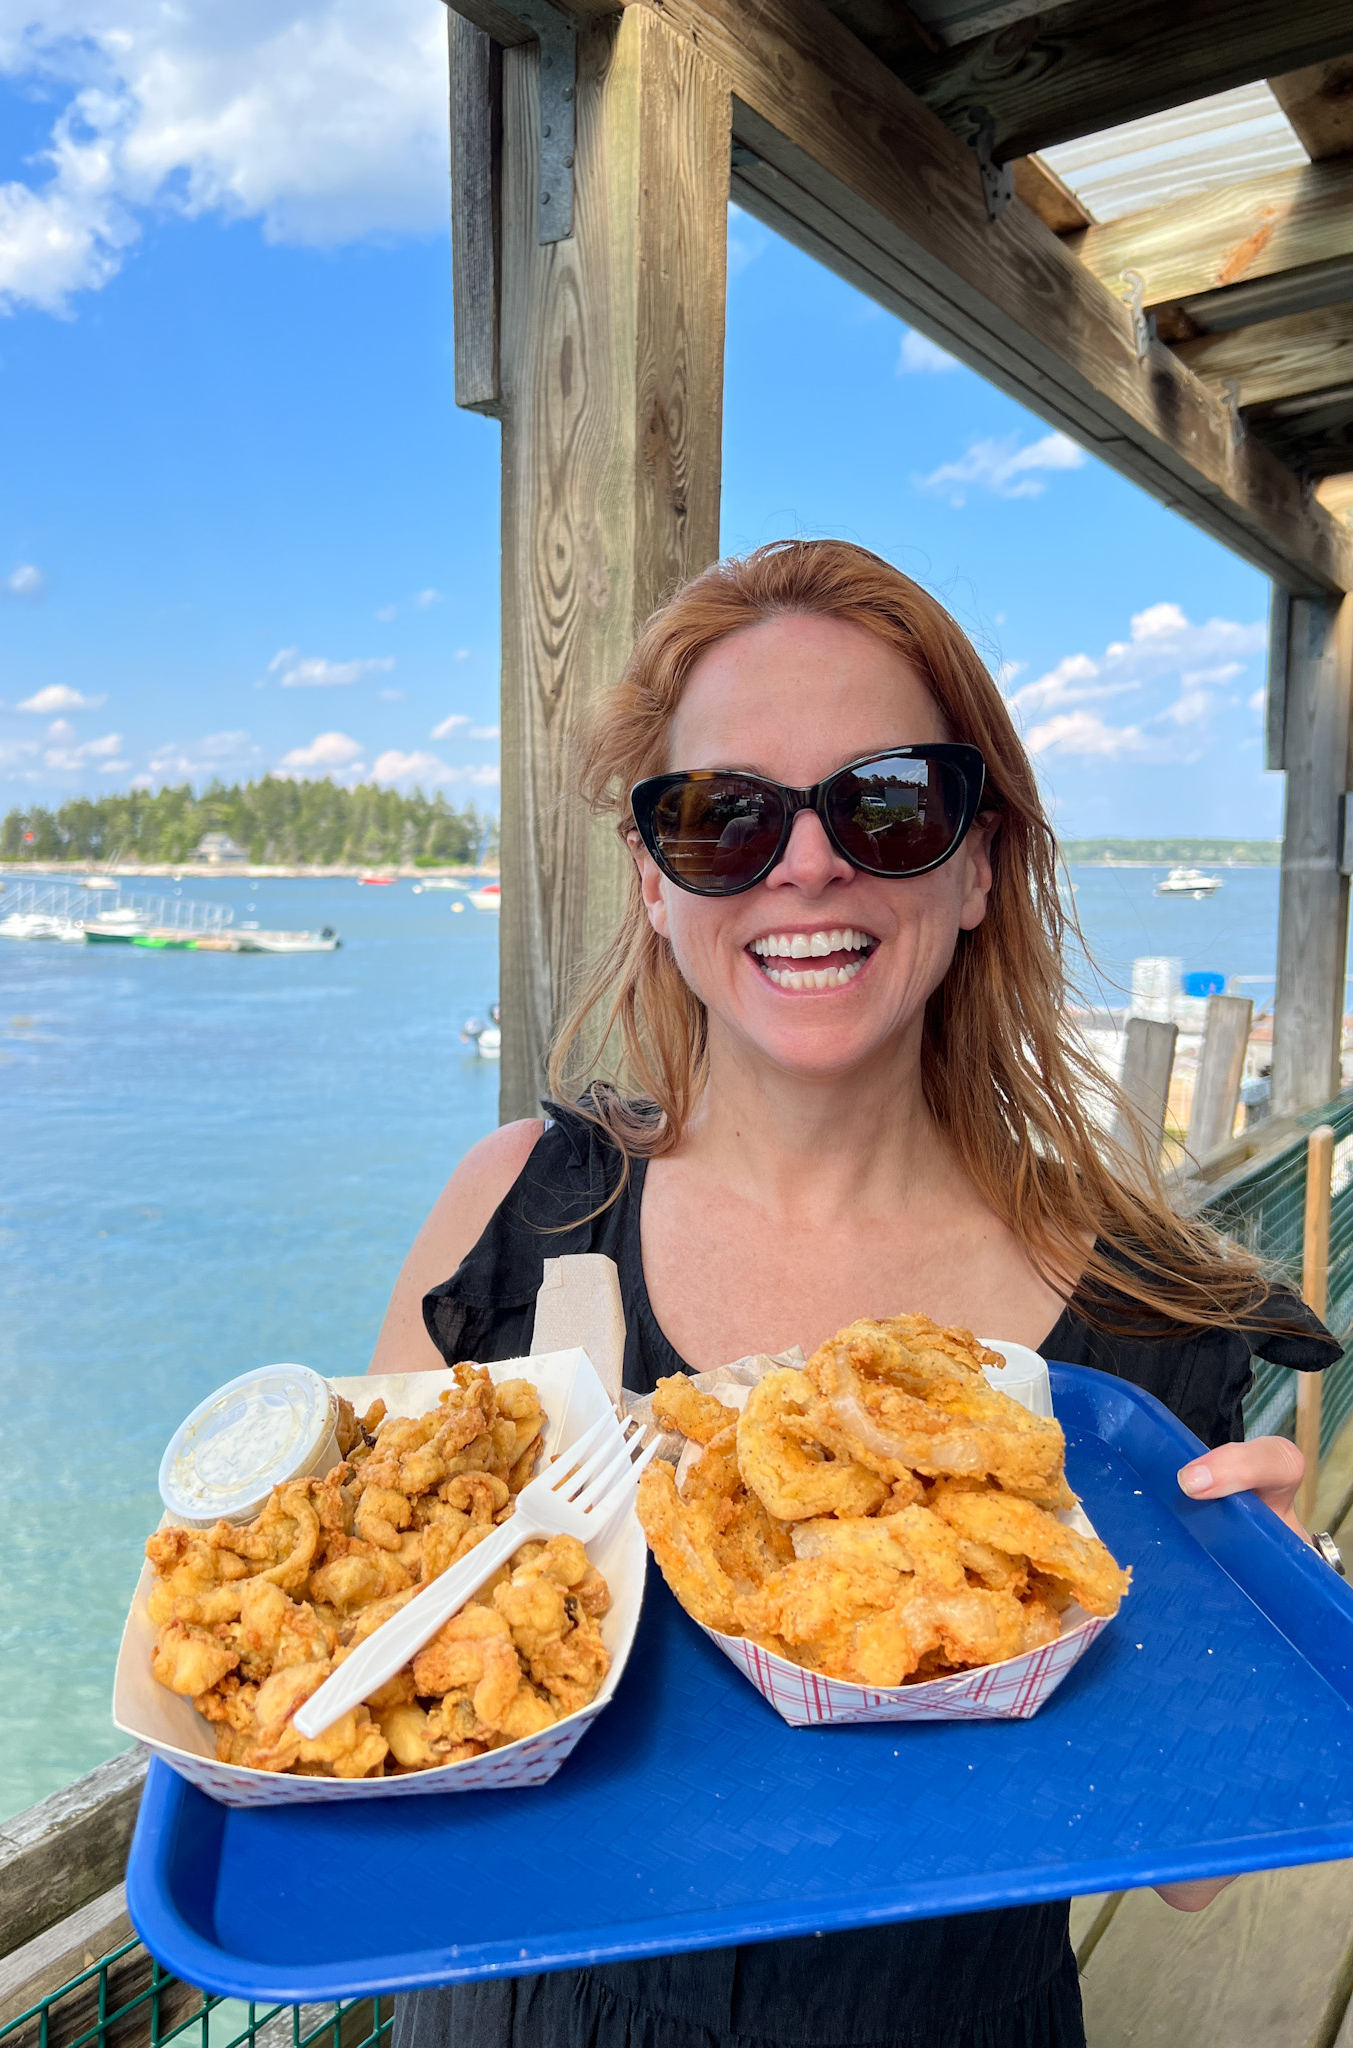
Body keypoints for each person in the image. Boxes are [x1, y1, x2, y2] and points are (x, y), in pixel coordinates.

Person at [373, 540, 1339, 2048]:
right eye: (721, 818)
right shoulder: (504, 1215)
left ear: (976, 862)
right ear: (654, 877)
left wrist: (1256, 1636)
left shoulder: (1151, 1316)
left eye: (886, 805)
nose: (805, 864)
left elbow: (1195, 1884)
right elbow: (380, 1696)